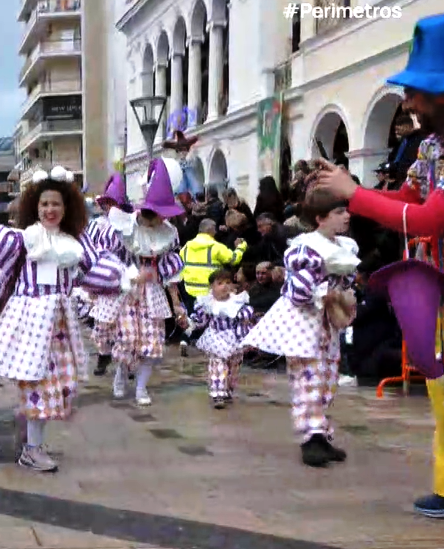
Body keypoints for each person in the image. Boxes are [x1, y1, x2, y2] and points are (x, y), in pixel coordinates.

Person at [309, 13, 444, 516]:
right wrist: (352, 190)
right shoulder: (431, 147)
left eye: (416, 92)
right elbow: (409, 198)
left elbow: (429, 218)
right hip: (438, 285)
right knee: (441, 389)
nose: (408, 103)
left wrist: (354, 194)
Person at [0, 166, 126, 472]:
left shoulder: (74, 242)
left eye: (56, 204)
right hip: (31, 320)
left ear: (67, 207)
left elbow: (93, 273)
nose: (50, 209)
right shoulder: (23, 239)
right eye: (44, 204)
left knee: (61, 383)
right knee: (39, 384)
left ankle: (30, 432)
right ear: (35, 207)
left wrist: (125, 278)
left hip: (60, 323)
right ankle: (31, 449)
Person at [240, 189, 358, 468]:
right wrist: (326, 293)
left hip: (328, 323)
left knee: (327, 378)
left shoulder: (344, 246)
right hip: (302, 322)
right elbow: (298, 292)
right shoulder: (306, 248)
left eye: (345, 210)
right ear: (320, 218)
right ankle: (310, 440)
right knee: (308, 378)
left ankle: (320, 435)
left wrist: (342, 294)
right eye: (339, 212)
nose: (346, 216)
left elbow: (346, 282)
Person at [104, 159, 188, 406]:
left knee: (152, 345)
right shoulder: (126, 228)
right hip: (129, 292)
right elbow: (112, 259)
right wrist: (123, 279)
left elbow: (171, 271)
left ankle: (141, 388)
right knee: (127, 340)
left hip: (154, 295)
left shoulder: (168, 233)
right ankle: (120, 376)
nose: (163, 219)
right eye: (161, 214)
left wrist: (177, 303)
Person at [187, 269, 254, 409]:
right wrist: (190, 323)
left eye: (228, 282)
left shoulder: (237, 301)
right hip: (216, 336)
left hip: (234, 338)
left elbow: (245, 318)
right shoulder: (208, 303)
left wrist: (246, 323)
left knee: (233, 366)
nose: (224, 286)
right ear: (211, 286)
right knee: (217, 365)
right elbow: (202, 320)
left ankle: (228, 388)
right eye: (220, 283)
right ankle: (218, 393)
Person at [84, 173, 129, 376]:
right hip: (107, 284)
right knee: (101, 326)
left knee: (127, 327)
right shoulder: (101, 227)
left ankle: (127, 363)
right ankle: (104, 355)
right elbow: (95, 255)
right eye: (106, 204)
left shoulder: (132, 225)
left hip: (129, 283)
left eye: (112, 203)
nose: (109, 208)